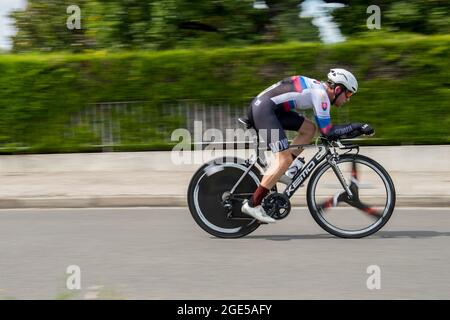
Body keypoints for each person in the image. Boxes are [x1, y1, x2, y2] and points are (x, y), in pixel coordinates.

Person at [241, 68, 374, 223]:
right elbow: (328, 132)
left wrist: (355, 128)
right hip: (264, 110)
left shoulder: (319, 90)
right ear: (338, 89)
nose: (348, 99)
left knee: (309, 129)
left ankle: (286, 171)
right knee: (283, 160)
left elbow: (324, 130)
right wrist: (357, 126)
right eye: (349, 94)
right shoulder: (321, 95)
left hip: (270, 108)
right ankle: (253, 204)